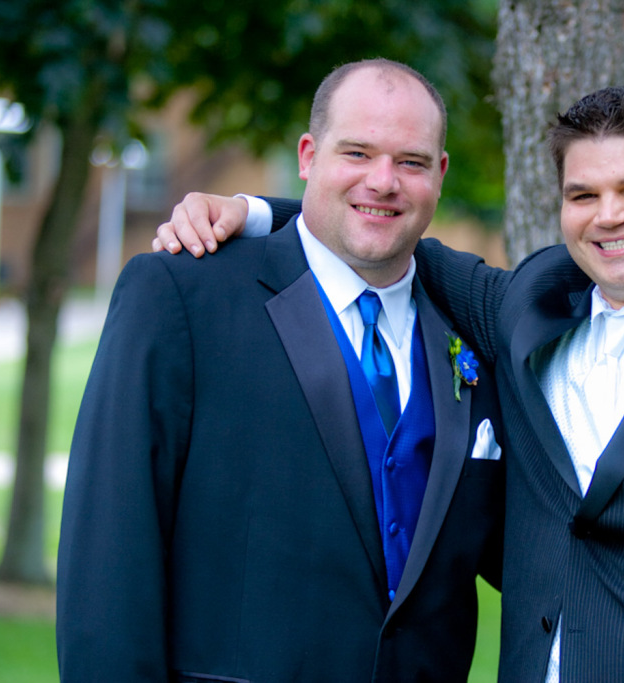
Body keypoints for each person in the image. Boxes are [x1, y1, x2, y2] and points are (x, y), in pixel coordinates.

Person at [157, 86, 624, 681]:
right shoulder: (527, 310)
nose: (610, 216)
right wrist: (255, 212)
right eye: (584, 194)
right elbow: (382, 222)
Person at [57, 59, 505, 683]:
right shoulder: (182, 294)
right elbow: (108, 551)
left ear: (441, 173)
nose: (384, 181)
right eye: (357, 152)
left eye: (411, 162)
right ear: (307, 155)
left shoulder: (474, 329)